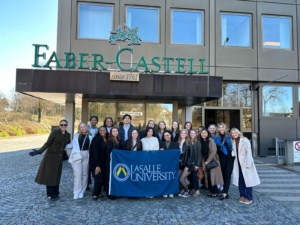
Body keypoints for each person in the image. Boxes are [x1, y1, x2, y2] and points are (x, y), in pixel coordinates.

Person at [29, 119, 71, 200]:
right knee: (50, 175)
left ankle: (56, 193)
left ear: (67, 126)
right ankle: (50, 194)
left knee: (57, 175)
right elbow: (47, 143)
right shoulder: (55, 132)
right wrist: (39, 151)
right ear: (59, 125)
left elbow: (66, 145)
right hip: (51, 157)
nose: (63, 126)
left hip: (59, 158)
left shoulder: (68, 135)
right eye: (61, 125)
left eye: (64, 125)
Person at [231, 128, 260, 205]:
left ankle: (249, 197)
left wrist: (248, 164)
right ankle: (242, 195)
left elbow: (249, 153)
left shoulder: (245, 140)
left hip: (245, 163)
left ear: (238, 133)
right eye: (232, 133)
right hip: (238, 163)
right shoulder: (233, 141)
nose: (234, 134)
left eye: (235, 132)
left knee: (247, 180)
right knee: (240, 180)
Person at [68, 122, 93, 200]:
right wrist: (61, 146)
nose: (83, 128)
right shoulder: (76, 136)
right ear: (79, 128)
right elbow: (71, 145)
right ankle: (76, 192)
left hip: (86, 157)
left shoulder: (90, 136)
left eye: (84, 126)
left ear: (86, 127)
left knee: (85, 174)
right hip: (76, 156)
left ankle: (82, 191)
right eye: (81, 127)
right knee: (78, 174)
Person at [214, 122, 234, 200]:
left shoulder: (229, 135)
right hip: (221, 157)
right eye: (219, 127)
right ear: (217, 129)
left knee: (227, 174)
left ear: (225, 128)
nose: (221, 129)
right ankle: (222, 190)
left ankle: (225, 192)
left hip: (230, 157)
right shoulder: (215, 137)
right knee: (222, 174)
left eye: (222, 127)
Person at [200, 129, 223, 198]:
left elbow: (214, 152)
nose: (203, 134)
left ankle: (214, 191)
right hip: (206, 162)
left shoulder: (211, 141)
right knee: (209, 177)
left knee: (213, 177)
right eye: (202, 133)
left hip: (212, 161)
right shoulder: (203, 141)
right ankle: (211, 190)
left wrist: (207, 161)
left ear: (208, 134)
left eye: (205, 133)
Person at [179, 129, 202, 197]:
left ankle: (196, 190)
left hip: (192, 163)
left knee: (194, 176)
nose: (192, 134)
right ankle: (192, 189)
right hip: (186, 163)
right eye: (191, 133)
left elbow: (198, 155)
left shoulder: (196, 142)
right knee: (190, 177)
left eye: (193, 133)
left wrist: (196, 164)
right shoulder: (187, 141)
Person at [159, 130, 179, 198]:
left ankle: (171, 191)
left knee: (171, 178)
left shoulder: (175, 144)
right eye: (165, 136)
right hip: (164, 163)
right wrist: (160, 151)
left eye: (168, 135)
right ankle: (165, 191)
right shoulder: (161, 143)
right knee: (164, 177)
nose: (166, 136)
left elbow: (177, 153)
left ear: (170, 135)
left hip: (172, 164)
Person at [89, 126, 107, 200]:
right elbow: (95, 153)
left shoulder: (106, 139)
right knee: (98, 178)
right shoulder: (96, 139)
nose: (102, 131)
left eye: (104, 130)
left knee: (101, 178)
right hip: (96, 162)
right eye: (100, 130)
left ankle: (99, 193)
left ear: (106, 131)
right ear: (98, 132)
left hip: (103, 162)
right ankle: (95, 194)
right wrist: (97, 165)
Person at [106, 126, 120, 199]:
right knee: (110, 178)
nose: (115, 132)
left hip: (115, 163)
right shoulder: (110, 141)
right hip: (110, 162)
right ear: (111, 132)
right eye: (113, 131)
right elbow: (108, 152)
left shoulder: (117, 140)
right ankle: (109, 193)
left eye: (116, 131)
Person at [87, 116, 99, 191]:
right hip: (87, 149)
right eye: (92, 120)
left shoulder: (98, 130)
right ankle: (87, 184)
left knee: (95, 166)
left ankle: (97, 184)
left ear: (97, 121)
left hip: (95, 149)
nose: (93, 121)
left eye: (95, 120)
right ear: (90, 121)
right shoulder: (87, 128)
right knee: (87, 168)